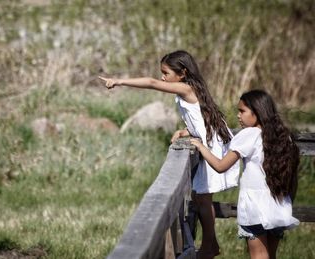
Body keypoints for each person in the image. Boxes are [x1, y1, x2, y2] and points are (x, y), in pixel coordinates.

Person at [99, 50, 240, 259]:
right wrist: (185, 131)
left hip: (213, 145)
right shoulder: (190, 88)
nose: (162, 77)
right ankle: (211, 244)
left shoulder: (185, 87)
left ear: (182, 72)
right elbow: (200, 119)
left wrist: (118, 81)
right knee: (201, 198)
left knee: (203, 198)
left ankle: (210, 245)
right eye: (161, 73)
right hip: (209, 140)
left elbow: (152, 83)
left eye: (165, 72)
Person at [190, 89, 300, 259]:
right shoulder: (284, 136)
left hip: (255, 208)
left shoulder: (249, 135)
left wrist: (202, 147)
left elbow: (220, 166)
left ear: (257, 112)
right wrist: (287, 201)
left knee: (259, 256)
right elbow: (293, 179)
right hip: (279, 206)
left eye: (242, 111)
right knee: (271, 255)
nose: (238, 115)